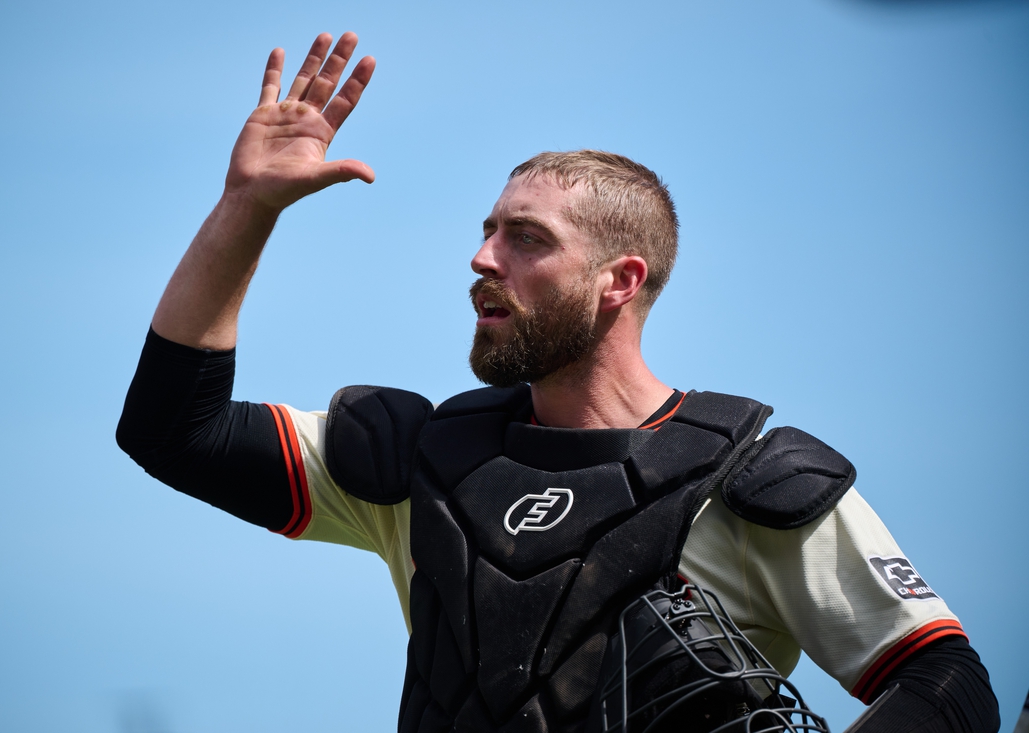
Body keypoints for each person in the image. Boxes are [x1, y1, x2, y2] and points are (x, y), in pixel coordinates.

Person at [117, 32, 1000, 733]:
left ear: (619, 280)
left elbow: (943, 679)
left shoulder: (748, 483)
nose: (481, 257)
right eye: (487, 230)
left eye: (526, 239)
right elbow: (173, 431)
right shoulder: (424, 461)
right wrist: (246, 206)